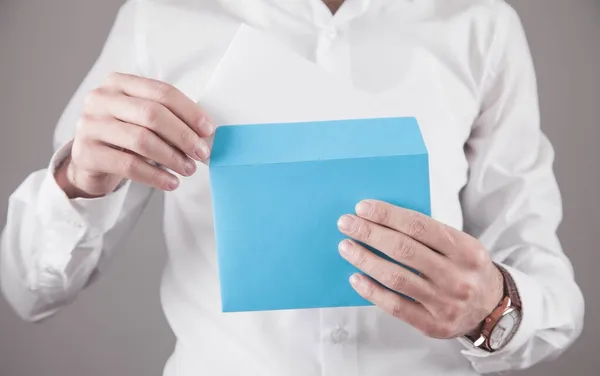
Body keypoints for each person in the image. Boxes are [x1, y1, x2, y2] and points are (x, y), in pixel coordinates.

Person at [0, 0, 585, 375]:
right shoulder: (161, 18)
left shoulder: (479, 25)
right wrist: (78, 180)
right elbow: (28, 291)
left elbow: (551, 289)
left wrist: (492, 308)